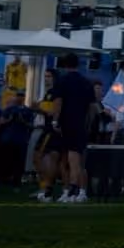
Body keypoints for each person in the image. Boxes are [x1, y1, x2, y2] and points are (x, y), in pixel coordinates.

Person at [36, 55, 93, 204]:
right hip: (80, 124)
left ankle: (57, 190)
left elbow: (58, 102)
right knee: (75, 160)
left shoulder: (62, 81)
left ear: (65, 66)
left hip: (64, 125)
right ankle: (74, 191)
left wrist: (55, 121)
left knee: (62, 161)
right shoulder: (86, 82)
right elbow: (91, 107)